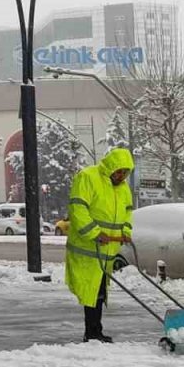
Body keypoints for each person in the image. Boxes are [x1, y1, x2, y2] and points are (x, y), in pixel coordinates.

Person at [65, 147, 134, 343]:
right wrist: (94, 233)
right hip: (87, 249)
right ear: (111, 167)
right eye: (119, 171)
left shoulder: (122, 188)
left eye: (125, 172)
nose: (121, 176)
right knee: (91, 291)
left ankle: (96, 330)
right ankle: (92, 332)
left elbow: (127, 212)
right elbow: (78, 208)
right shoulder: (88, 177)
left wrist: (125, 232)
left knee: (100, 292)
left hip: (107, 249)